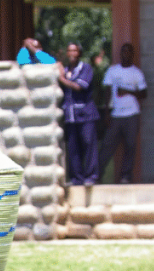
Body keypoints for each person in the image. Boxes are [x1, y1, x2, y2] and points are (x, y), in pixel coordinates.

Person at [98, 43, 147, 183]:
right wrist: (106, 112)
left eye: (129, 52)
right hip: (115, 115)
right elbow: (107, 91)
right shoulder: (113, 71)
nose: (126, 54)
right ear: (120, 54)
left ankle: (125, 176)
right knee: (107, 145)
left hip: (132, 114)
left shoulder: (137, 73)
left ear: (132, 54)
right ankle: (97, 175)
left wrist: (127, 91)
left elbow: (144, 94)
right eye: (124, 51)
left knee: (130, 146)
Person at [57, 42, 100, 186]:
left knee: (88, 145)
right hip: (70, 115)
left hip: (86, 114)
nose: (72, 54)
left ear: (79, 53)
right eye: (69, 51)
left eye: (75, 51)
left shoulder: (85, 68)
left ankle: (91, 176)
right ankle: (77, 179)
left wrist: (62, 79)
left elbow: (79, 86)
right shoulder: (65, 70)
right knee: (73, 148)